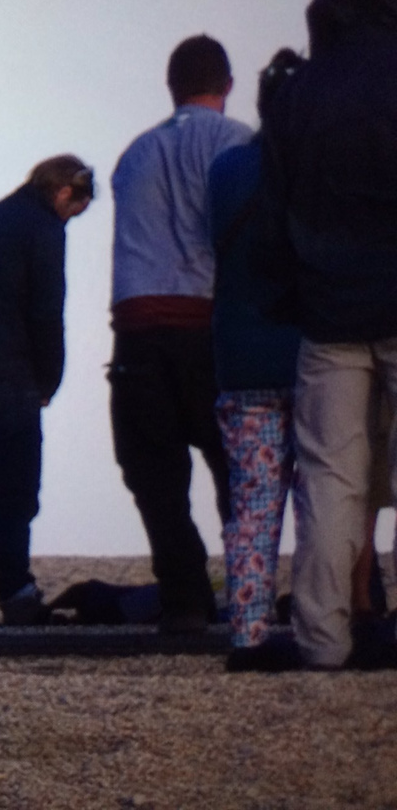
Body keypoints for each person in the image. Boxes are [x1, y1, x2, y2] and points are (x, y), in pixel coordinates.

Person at [255, 0, 397, 670]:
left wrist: (296, 293)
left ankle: (321, 640)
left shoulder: (300, 88)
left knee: (330, 481)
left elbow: (272, 207)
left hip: (329, 310)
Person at [108, 34, 254, 634]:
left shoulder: (135, 154)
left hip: (138, 330)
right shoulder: (238, 143)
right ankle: (248, 592)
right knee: (236, 471)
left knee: (156, 478)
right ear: (228, 85)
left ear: (171, 87)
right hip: (209, 327)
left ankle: (186, 599)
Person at [0, 155, 94, 627]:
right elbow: (47, 311)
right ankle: (16, 593)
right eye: (76, 210)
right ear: (65, 193)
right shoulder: (42, 228)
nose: (71, 220)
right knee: (16, 494)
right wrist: (49, 379)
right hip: (10, 379)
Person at [206, 48, 306, 671]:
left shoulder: (226, 169)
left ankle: (248, 633)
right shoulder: (312, 167)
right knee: (324, 501)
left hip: (239, 354)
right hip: (308, 351)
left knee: (252, 506)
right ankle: (327, 624)